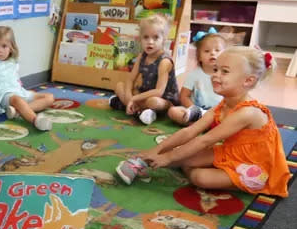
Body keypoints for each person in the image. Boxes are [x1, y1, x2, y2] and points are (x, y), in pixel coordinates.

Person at [116, 47, 290, 197]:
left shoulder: (248, 113)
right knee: (184, 154)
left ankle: (247, 182)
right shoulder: (223, 105)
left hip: (252, 164)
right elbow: (189, 132)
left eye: (225, 71)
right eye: (215, 70)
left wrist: (169, 157)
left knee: (199, 177)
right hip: (231, 151)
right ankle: (146, 161)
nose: (215, 76)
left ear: (248, 80)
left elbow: (204, 140)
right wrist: (157, 150)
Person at [0, 26, 54, 131]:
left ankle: (16, 112)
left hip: (18, 91)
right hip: (3, 94)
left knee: (49, 97)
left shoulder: (12, 61)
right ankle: (35, 121)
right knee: (18, 100)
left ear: (11, 47)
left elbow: (13, 77)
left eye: (4, 46)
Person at [108, 14, 179, 125]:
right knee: (119, 86)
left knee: (153, 101)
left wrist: (133, 99)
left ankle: (129, 106)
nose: (150, 42)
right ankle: (140, 111)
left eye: (155, 38)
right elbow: (130, 79)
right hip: (144, 94)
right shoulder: (142, 56)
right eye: (146, 37)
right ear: (140, 39)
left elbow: (159, 92)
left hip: (163, 99)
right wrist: (130, 97)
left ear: (164, 39)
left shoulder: (164, 61)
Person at [168, 30, 225, 125]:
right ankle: (201, 126)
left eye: (217, 50)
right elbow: (184, 96)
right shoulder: (194, 74)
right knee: (173, 111)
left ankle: (203, 126)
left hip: (218, 114)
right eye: (207, 51)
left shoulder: (226, 75)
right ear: (199, 57)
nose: (212, 53)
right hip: (197, 113)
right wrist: (195, 109)